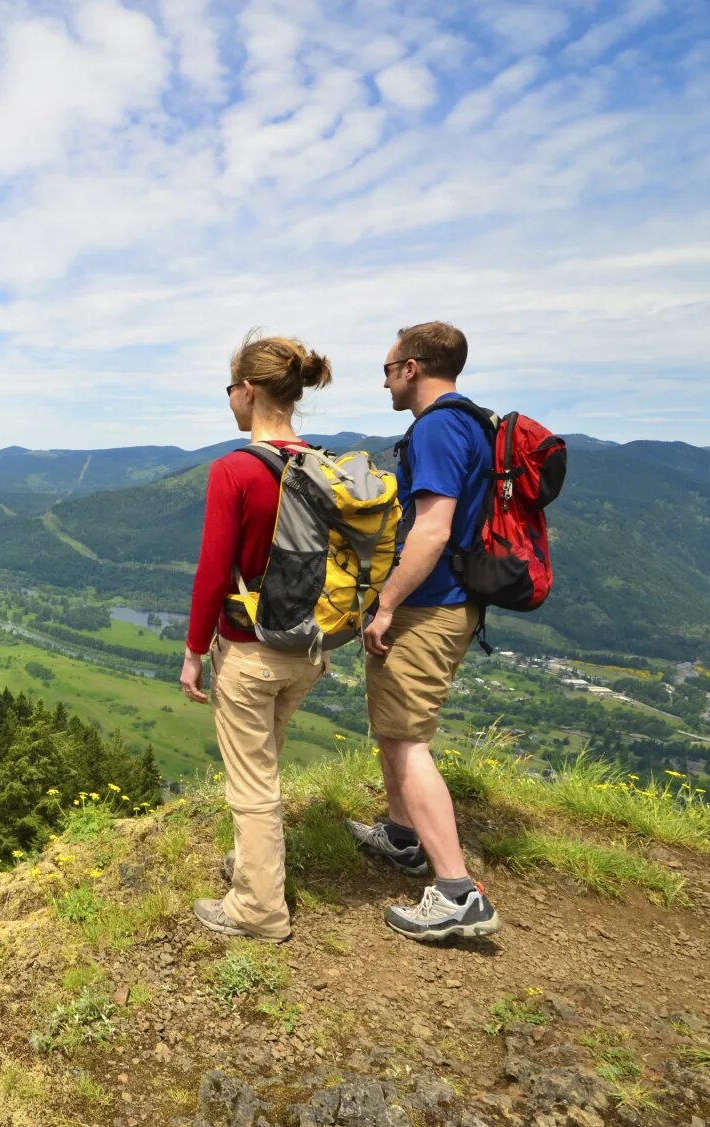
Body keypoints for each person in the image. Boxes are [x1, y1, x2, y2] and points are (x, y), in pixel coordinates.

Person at [351, 321, 502, 941]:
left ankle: (457, 892)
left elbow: (432, 529)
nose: (385, 380)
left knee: (410, 742)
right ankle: (401, 834)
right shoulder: (472, 421)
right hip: (449, 600)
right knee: (394, 727)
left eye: (387, 369)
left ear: (412, 367)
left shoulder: (439, 426)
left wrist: (385, 604)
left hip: (429, 604)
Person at [180, 332, 333, 942]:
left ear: (247, 391)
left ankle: (259, 911)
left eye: (231, 389)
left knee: (252, 784)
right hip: (307, 650)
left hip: (250, 653)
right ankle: (254, 869)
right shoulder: (321, 464)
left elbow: (214, 573)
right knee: (266, 764)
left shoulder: (236, 470)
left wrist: (195, 652)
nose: (231, 400)